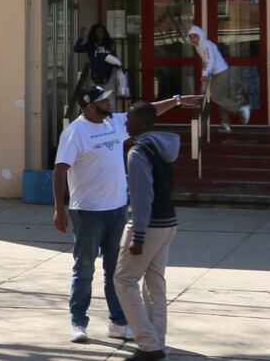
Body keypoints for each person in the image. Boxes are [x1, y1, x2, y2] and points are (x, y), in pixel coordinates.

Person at [54, 86, 201, 345]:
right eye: (104, 101)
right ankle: (78, 321)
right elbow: (60, 169)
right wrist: (59, 208)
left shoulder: (113, 122)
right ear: (89, 106)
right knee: (85, 268)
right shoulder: (75, 132)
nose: (110, 103)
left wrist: (177, 100)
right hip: (87, 211)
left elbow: (148, 111)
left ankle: (118, 322)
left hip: (117, 209)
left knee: (116, 270)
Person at [116, 102, 181, 361]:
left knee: (124, 280)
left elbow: (142, 196)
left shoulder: (138, 152)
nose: (125, 123)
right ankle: (157, 343)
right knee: (155, 284)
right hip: (169, 221)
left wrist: (139, 235)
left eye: (129, 119)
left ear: (142, 122)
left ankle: (148, 345)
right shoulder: (161, 147)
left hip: (149, 224)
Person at [188, 25, 247, 133]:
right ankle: (226, 124)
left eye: (195, 36)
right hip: (216, 73)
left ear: (200, 35)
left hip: (220, 72)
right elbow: (205, 61)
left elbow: (209, 60)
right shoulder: (199, 46)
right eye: (191, 37)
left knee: (216, 97)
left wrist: (205, 74)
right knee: (221, 98)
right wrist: (205, 73)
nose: (193, 39)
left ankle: (240, 109)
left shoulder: (205, 45)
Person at [73, 24, 128, 112]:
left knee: (110, 99)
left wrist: (119, 73)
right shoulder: (91, 45)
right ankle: (97, 118)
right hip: (95, 76)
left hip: (108, 76)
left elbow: (114, 59)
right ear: (94, 34)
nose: (100, 34)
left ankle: (110, 119)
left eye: (102, 32)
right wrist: (82, 37)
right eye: (98, 32)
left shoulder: (109, 45)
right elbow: (77, 49)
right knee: (95, 99)